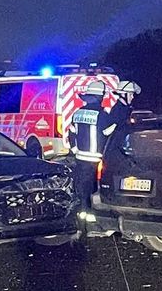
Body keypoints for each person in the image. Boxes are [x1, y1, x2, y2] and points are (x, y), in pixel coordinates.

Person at [67, 81, 117, 220]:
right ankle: (91, 215)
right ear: (100, 97)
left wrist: (75, 150)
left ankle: (83, 212)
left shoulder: (77, 113)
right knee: (94, 186)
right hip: (96, 158)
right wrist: (117, 124)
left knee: (83, 185)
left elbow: (71, 133)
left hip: (80, 157)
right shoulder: (102, 115)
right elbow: (108, 133)